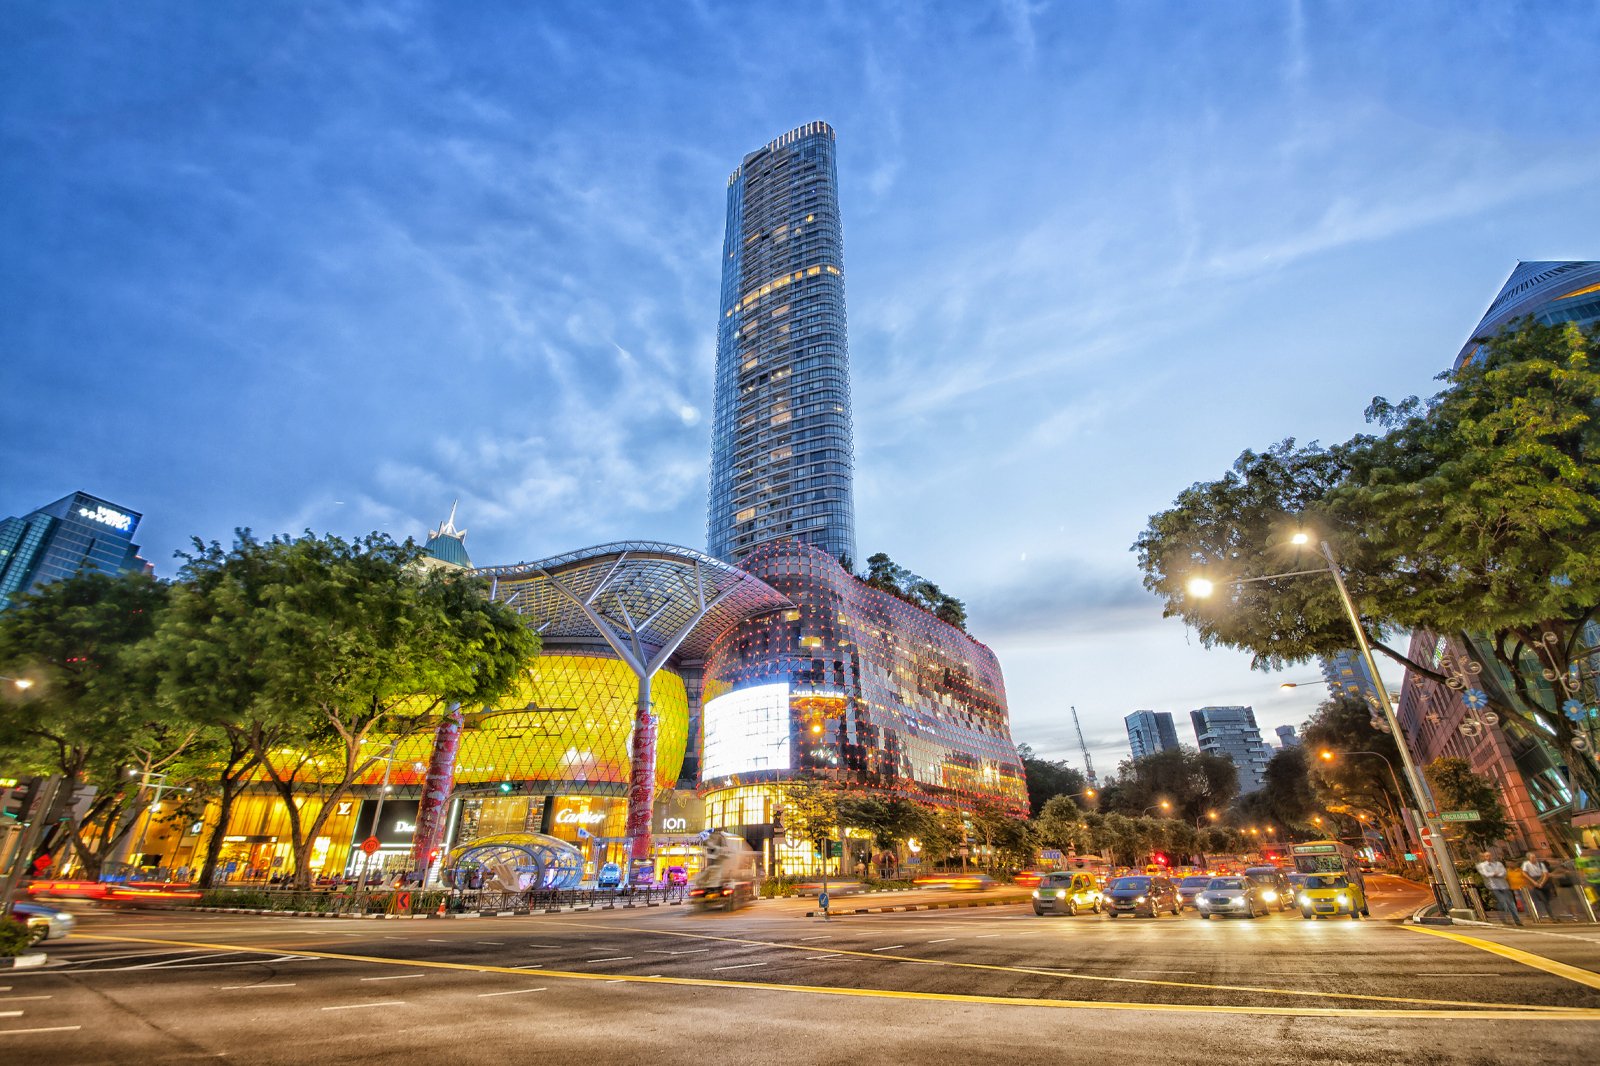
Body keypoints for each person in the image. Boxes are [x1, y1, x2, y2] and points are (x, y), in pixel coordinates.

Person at [1476, 850, 1522, 926]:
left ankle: (1517, 920)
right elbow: (1485, 874)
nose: (1489, 857)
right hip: (1494, 886)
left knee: (1511, 903)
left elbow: (1504, 873)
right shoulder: (1482, 865)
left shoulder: (1498, 864)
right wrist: (1494, 873)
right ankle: (1504, 919)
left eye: (1490, 855)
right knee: (1502, 902)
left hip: (1504, 885)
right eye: (1487, 856)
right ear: (1484, 857)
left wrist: (1495, 874)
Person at [1521, 851, 1556, 920]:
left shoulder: (1540, 864)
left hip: (1542, 880)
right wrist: (1533, 882)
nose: (1534, 859)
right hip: (1534, 880)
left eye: (1535, 857)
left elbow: (1545, 874)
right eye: (1532, 858)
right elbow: (1524, 873)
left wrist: (1542, 883)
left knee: (1549, 899)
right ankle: (1551, 916)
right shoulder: (1526, 864)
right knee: (1543, 899)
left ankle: (1551, 913)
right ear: (1529, 858)